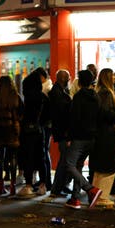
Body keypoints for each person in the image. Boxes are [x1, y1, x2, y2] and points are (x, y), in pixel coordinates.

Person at [63, 69, 102, 209]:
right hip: (92, 137)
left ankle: (90, 188)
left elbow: (74, 119)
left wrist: (69, 137)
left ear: (79, 81)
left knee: (69, 164)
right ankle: (75, 198)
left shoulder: (79, 97)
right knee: (78, 165)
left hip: (79, 137)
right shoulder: (96, 96)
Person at [90, 68, 115, 208]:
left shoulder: (98, 93)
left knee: (99, 168)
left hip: (100, 133)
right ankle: (103, 197)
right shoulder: (107, 93)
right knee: (109, 166)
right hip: (108, 134)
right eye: (113, 76)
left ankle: (96, 195)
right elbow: (107, 113)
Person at [0, 76, 23, 195]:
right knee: (13, 158)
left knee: (0, 158)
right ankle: (13, 186)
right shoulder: (15, 97)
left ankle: (0, 185)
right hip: (12, 130)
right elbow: (21, 114)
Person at [18, 68, 49, 197]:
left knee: (28, 157)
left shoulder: (28, 99)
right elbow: (47, 115)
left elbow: (24, 115)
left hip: (28, 131)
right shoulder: (43, 97)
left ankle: (29, 185)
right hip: (40, 130)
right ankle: (43, 184)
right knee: (41, 157)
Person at [48, 69, 73, 199]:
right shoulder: (58, 93)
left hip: (62, 131)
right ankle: (57, 188)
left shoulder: (60, 91)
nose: (69, 79)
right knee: (63, 161)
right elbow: (62, 115)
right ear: (63, 79)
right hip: (63, 132)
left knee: (65, 160)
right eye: (68, 77)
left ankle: (60, 186)